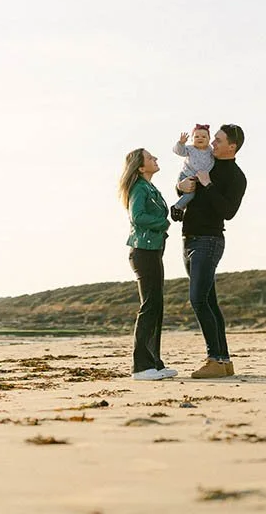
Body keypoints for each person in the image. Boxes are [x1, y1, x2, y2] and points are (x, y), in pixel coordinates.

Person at [176, 124, 247, 379]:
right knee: (210, 302)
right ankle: (224, 361)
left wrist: (208, 184)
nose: (212, 144)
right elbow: (190, 190)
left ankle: (213, 358)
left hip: (209, 240)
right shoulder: (207, 164)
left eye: (218, 140)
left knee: (198, 299)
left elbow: (228, 211)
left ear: (232, 146)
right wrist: (182, 187)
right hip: (189, 238)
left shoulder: (236, 176)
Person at [119, 148, 177, 381]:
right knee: (149, 306)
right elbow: (138, 217)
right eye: (151, 158)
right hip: (143, 251)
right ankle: (141, 367)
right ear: (141, 167)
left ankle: (154, 363)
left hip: (153, 251)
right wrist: (163, 223)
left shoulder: (149, 187)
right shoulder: (139, 188)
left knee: (157, 306)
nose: (156, 159)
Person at [170, 124, 215, 222]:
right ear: (192, 139)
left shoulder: (210, 150)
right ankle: (177, 207)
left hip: (199, 179)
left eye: (204, 136)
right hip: (186, 176)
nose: (200, 138)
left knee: (194, 196)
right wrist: (181, 143)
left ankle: (181, 208)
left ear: (209, 139)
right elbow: (179, 151)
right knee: (190, 194)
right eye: (196, 136)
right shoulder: (190, 149)